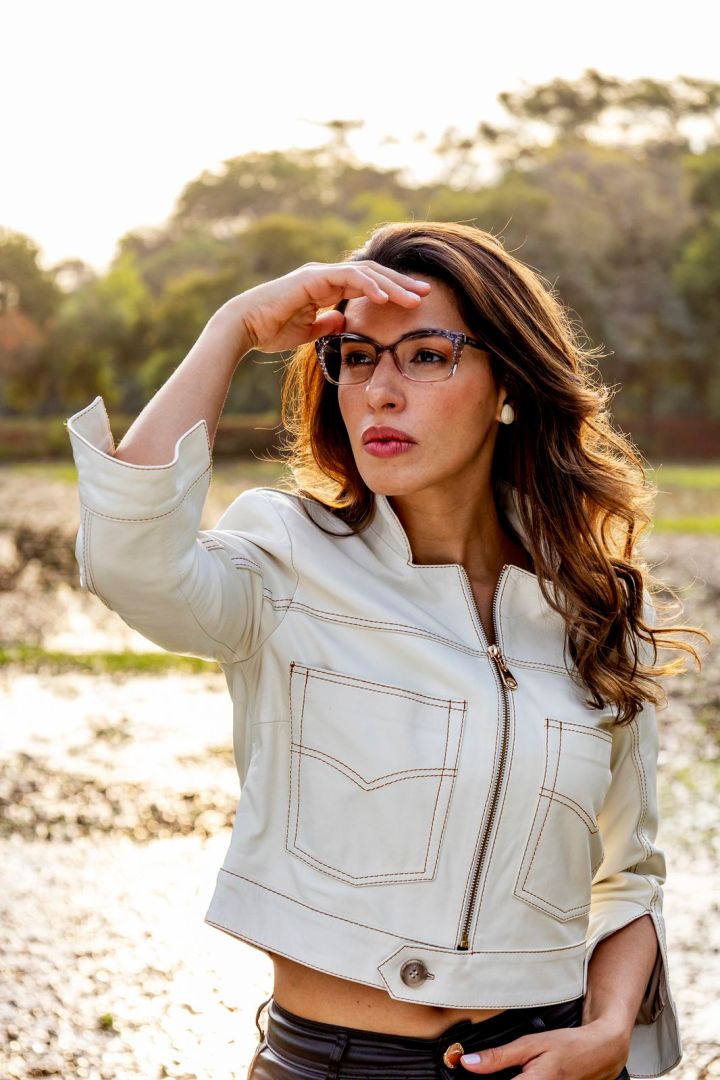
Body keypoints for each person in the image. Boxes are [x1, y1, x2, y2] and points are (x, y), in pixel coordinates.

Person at [65, 222, 707, 1080]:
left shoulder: (597, 607)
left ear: (508, 386)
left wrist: (610, 1029)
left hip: (552, 1060)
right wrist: (235, 327)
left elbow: (628, 873)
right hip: (335, 1063)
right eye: (358, 357)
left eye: (428, 356)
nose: (380, 392)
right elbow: (125, 559)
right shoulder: (285, 560)